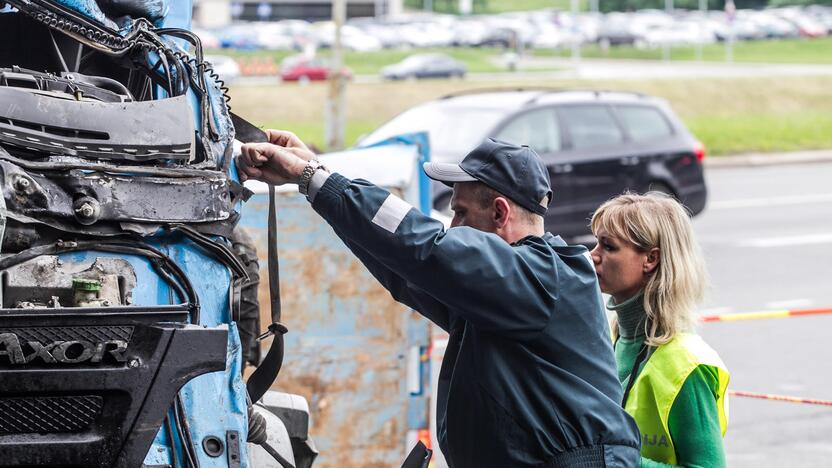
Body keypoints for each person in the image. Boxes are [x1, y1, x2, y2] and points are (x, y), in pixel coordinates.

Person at [237, 132, 641, 467]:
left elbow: (425, 247)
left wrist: (313, 177)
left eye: (461, 213)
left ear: (500, 214)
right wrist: (320, 182)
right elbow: (405, 269)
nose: (454, 225)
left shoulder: (542, 277)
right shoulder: (499, 292)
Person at [589, 193, 730, 468]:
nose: (593, 255)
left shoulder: (686, 365)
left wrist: (622, 463)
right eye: (597, 243)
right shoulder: (611, 338)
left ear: (651, 259)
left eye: (608, 246)